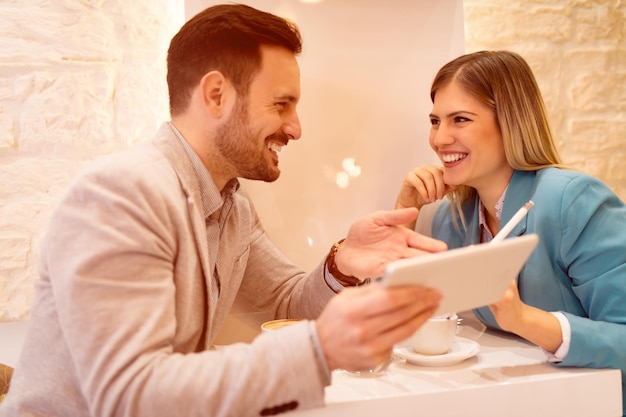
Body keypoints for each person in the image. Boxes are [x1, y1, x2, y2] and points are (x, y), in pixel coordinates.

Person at [0, 4, 450, 417]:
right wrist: (317, 349)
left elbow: (286, 303)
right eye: (281, 104)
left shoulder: (232, 206)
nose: (295, 127)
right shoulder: (121, 195)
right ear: (216, 95)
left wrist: (343, 263)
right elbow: (128, 396)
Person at [395, 50, 626, 416]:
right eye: (435, 121)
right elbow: (393, 315)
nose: (440, 139)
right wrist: (404, 210)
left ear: (510, 122)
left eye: (460, 119)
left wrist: (526, 319)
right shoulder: (451, 218)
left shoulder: (574, 201)